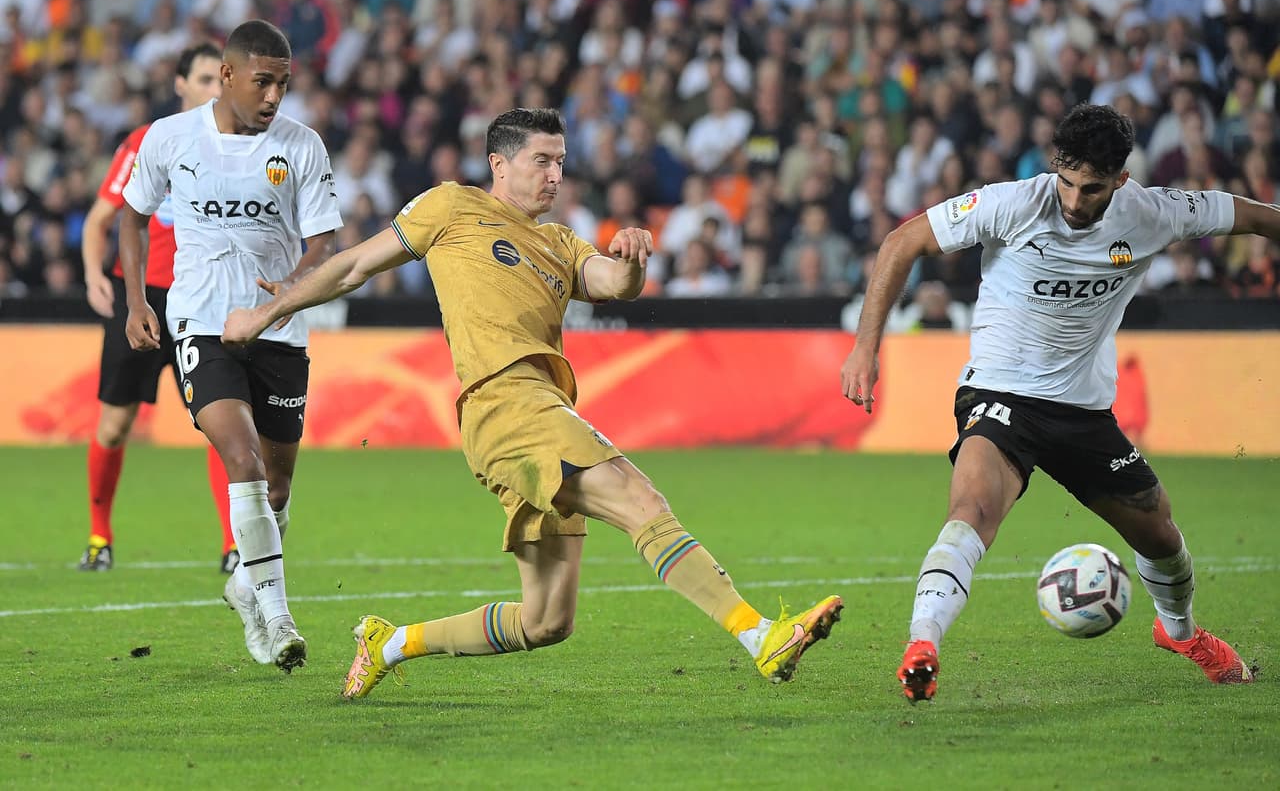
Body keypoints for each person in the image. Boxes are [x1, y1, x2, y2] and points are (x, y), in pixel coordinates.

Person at [221, 107, 843, 698]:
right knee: (640, 500)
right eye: (543, 161)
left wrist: (630, 260)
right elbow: (354, 266)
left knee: (546, 621)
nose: (555, 175)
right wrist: (270, 312)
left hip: (537, 412)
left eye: (562, 162)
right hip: (505, 404)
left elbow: (612, 284)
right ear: (500, 163)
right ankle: (762, 635)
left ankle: (390, 645)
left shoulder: (560, 243)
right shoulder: (450, 207)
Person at [840, 104, 1269, 703]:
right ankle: (922, 644)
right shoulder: (1013, 203)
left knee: (1163, 537)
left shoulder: (1153, 212)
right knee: (972, 509)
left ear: (1120, 180)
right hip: (999, 393)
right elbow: (902, 240)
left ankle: (1180, 634)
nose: (1071, 199)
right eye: (1065, 181)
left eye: (1090, 188)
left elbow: (1249, 216)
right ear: (1054, 166)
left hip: (1083, 414)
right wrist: (865, 347)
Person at [119, 20, 342, 672]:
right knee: (240, 457)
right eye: (263, 81)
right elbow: (132, 218)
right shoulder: (170, 138)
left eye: (283, 83)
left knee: (276, 486)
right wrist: (137, 301)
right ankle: (274, 615)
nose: (274, 95)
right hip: (200, 322)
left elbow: (325, 238)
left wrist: (295, 281)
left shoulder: (301, 147)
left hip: (278, 327)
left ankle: (246, 582)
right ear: (227, 75)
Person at [78, 42, 236, 574]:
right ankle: (100, 537)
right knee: (115, 427)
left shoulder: (236, 147)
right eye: (207, 78)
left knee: (221, 421)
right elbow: (103, 217)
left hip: (203, 298)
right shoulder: (147, 141)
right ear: (180, 84)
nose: (216, 89)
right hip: (141, 299)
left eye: (222, 79)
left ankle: (232, 547)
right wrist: (95, 275)